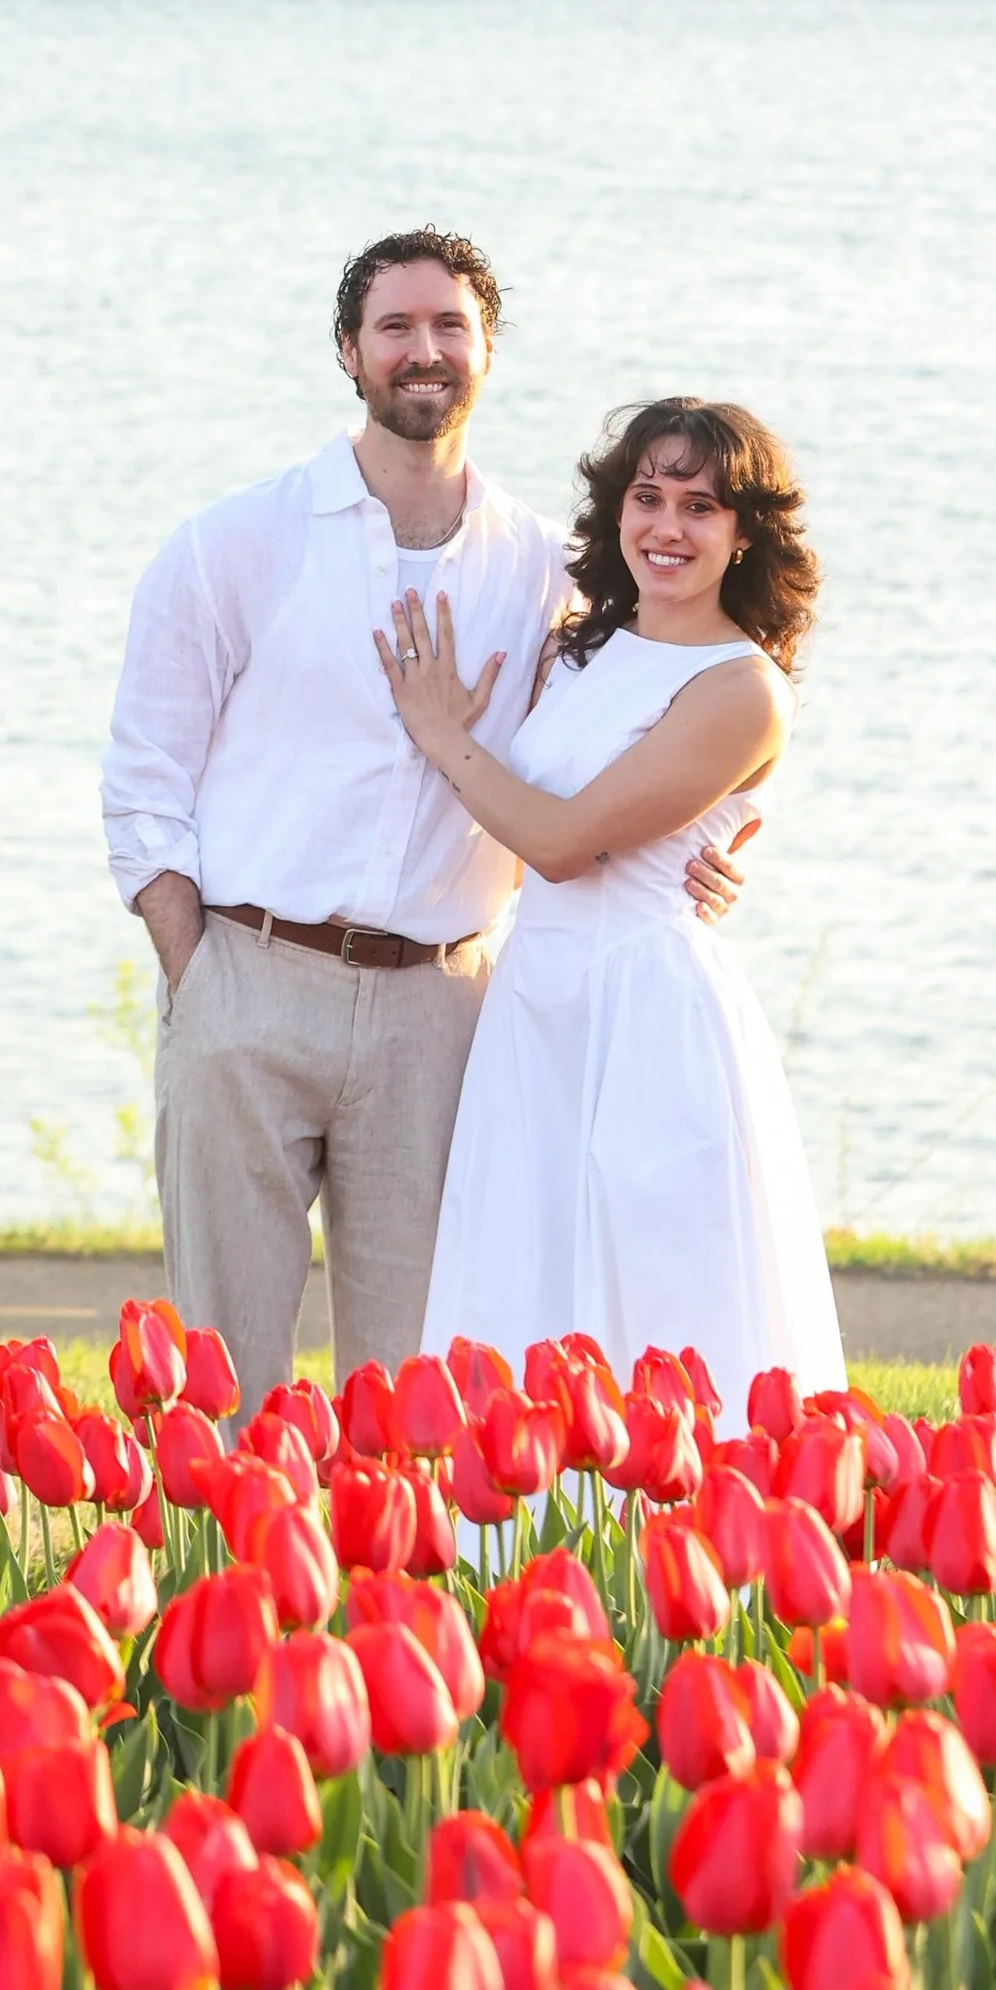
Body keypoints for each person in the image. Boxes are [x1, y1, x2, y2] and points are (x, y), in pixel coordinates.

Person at [98, 231, 749, 1411]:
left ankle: (381, 1601)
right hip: (250, 983)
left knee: (413, 1401)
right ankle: (226, 1601)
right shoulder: (232, 546)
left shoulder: (552, 578)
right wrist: (198, 971)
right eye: (394, 327)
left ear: (488, 351)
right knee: (218, 1393)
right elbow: (144, 783)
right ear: (349, 352)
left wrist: (717, 845)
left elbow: (666, 718)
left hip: (444, 1015)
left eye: (450, 326)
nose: (424, 350)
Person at [392, 396, 845, 1420]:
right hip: (535, 1003)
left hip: (644, 1014)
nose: (667, 529)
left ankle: (684, 1551)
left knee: (656, 1295)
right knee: (525, 1276)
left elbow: (557, 843)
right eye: (647, 498)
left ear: (744, 535)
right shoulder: (576, 649)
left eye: (700, 507)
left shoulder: (742, 689)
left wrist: (440, 733)